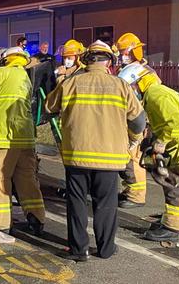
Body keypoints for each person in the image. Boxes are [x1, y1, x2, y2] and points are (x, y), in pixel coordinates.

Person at [46, 40, 146, 261]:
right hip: (109, 159)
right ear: (109, 61)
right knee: (106, 205)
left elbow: (48, 108)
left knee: (77, 203)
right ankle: (106, 248)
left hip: (76, 157)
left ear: (85, 59)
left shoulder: (70, 83)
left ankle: (79, 250)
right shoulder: (121, 86)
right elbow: (139, 121)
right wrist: (133, 139)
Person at [118, 63, 179, 242]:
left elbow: (174, 122)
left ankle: (173, 227)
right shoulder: (156, 94)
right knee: (177, 186)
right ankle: (174, 222)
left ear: (137, 84)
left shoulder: (156, 95)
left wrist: (161, 143)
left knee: (178, 187)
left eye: (129, 88)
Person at [0, 46, 45, 235]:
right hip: (25, 140)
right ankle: (36, 219)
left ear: (5, 60)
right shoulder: (24, 78)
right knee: (27, 181)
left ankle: (1, 225)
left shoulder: (4, 72)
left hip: (3, 139)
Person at [114, 33, 149, 209]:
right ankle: (130, 190)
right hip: (131, 119)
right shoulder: (134, 69)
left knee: (132, 159)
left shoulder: (137, 71)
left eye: (124, 52)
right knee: (127, 158)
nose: (122, 55)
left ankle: (136, 195)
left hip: (136, 121)